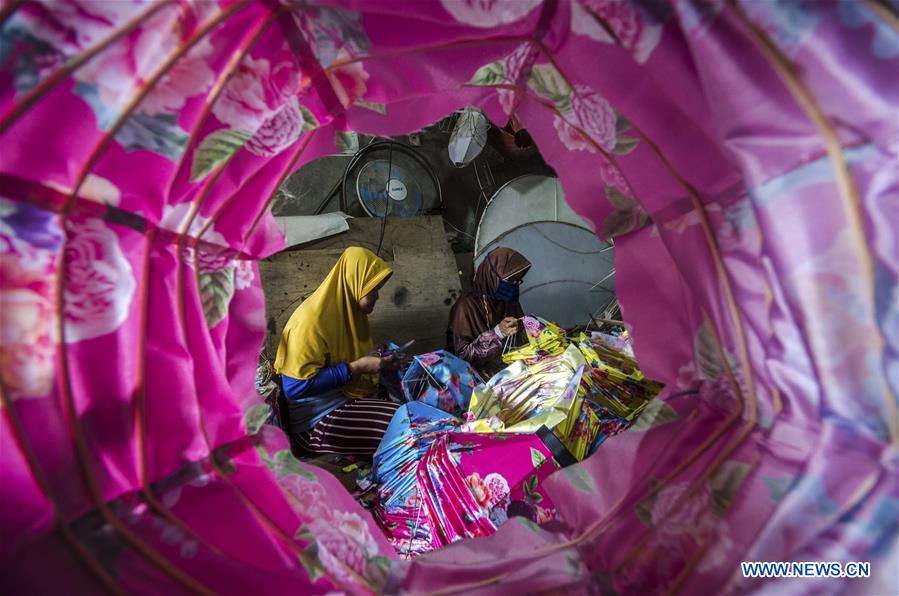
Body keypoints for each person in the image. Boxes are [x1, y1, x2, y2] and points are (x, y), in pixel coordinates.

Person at [274, 246, 400, 457]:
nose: (377, 297)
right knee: (405, 428)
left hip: (342, 399)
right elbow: (294, 387)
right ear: (354, 282)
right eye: (373, 289)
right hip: (315, 425)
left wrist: (380, 361)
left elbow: (343, 356)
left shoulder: (349, 314)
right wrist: (357, 368)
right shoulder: (311, 322)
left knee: (410, 413)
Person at [446, 247, 531, 374]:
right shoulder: (465, 307)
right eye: (510, 280)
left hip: (508, 368)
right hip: (472, 376)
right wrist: (497, 333)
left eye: (517, 281)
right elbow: (463, 357)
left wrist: (537, 330)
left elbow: (522, 336)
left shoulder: (509, 300)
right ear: (492, 277)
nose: (514, 286)